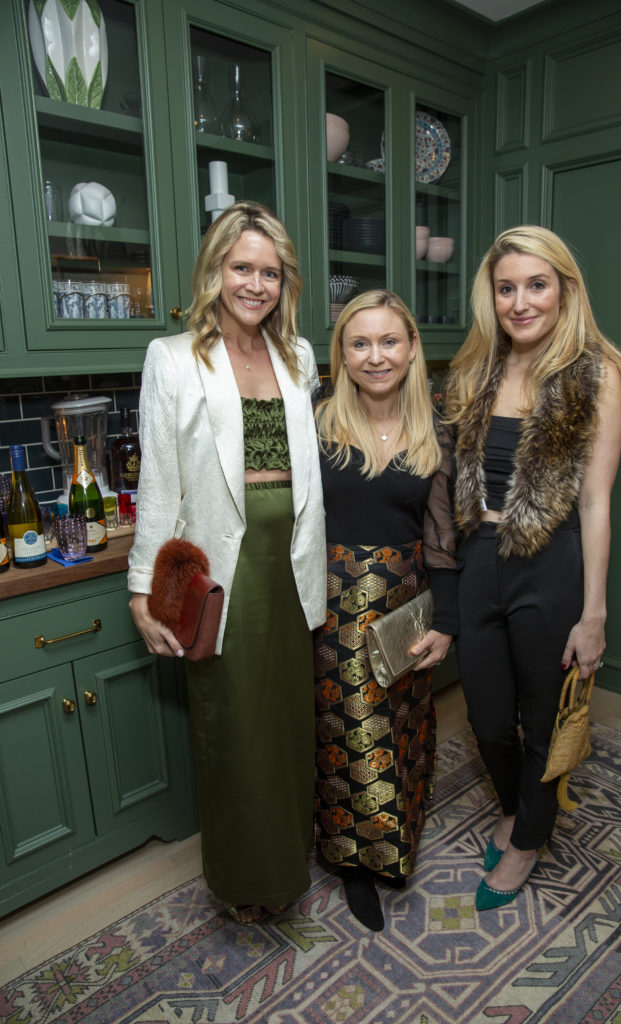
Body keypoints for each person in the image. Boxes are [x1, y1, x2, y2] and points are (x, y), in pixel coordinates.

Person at [128, 201, 327, 925]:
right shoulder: (174, 358)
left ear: (284, 281)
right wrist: (142, 591)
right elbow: (160, 483)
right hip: (223, 571)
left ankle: (288, 861)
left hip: (292, 563)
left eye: (269, 271)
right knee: (234, 727)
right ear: (214, 271)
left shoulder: (298, 357)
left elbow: (306, 470)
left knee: (286, 723)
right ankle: (245, 880)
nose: (255, 283)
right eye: (241, 267)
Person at [444, 225, 621, 911]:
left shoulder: (596, 372)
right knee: (489, 717)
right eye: (505, 288)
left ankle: (527, 835)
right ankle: (511, 803)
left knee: (544, 716)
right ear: (490, 297)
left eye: (535, 284)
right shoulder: (477, 368)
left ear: (563, 288)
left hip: (548, 561)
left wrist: (593, 613)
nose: (520, 302)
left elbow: (594, 501)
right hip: (478, 558)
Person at [314, 289, 459, 931]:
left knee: (404, 723)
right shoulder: (315, 425)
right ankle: (357, 862)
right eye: (360, 343)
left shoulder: (438, 431)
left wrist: (448, 623)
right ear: (341, 354)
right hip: (330, 600)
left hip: (407, 599)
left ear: (411, 349)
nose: (376, 356)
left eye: (389, 341)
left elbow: (444, 537)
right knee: (348, 732)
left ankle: (399, 830)